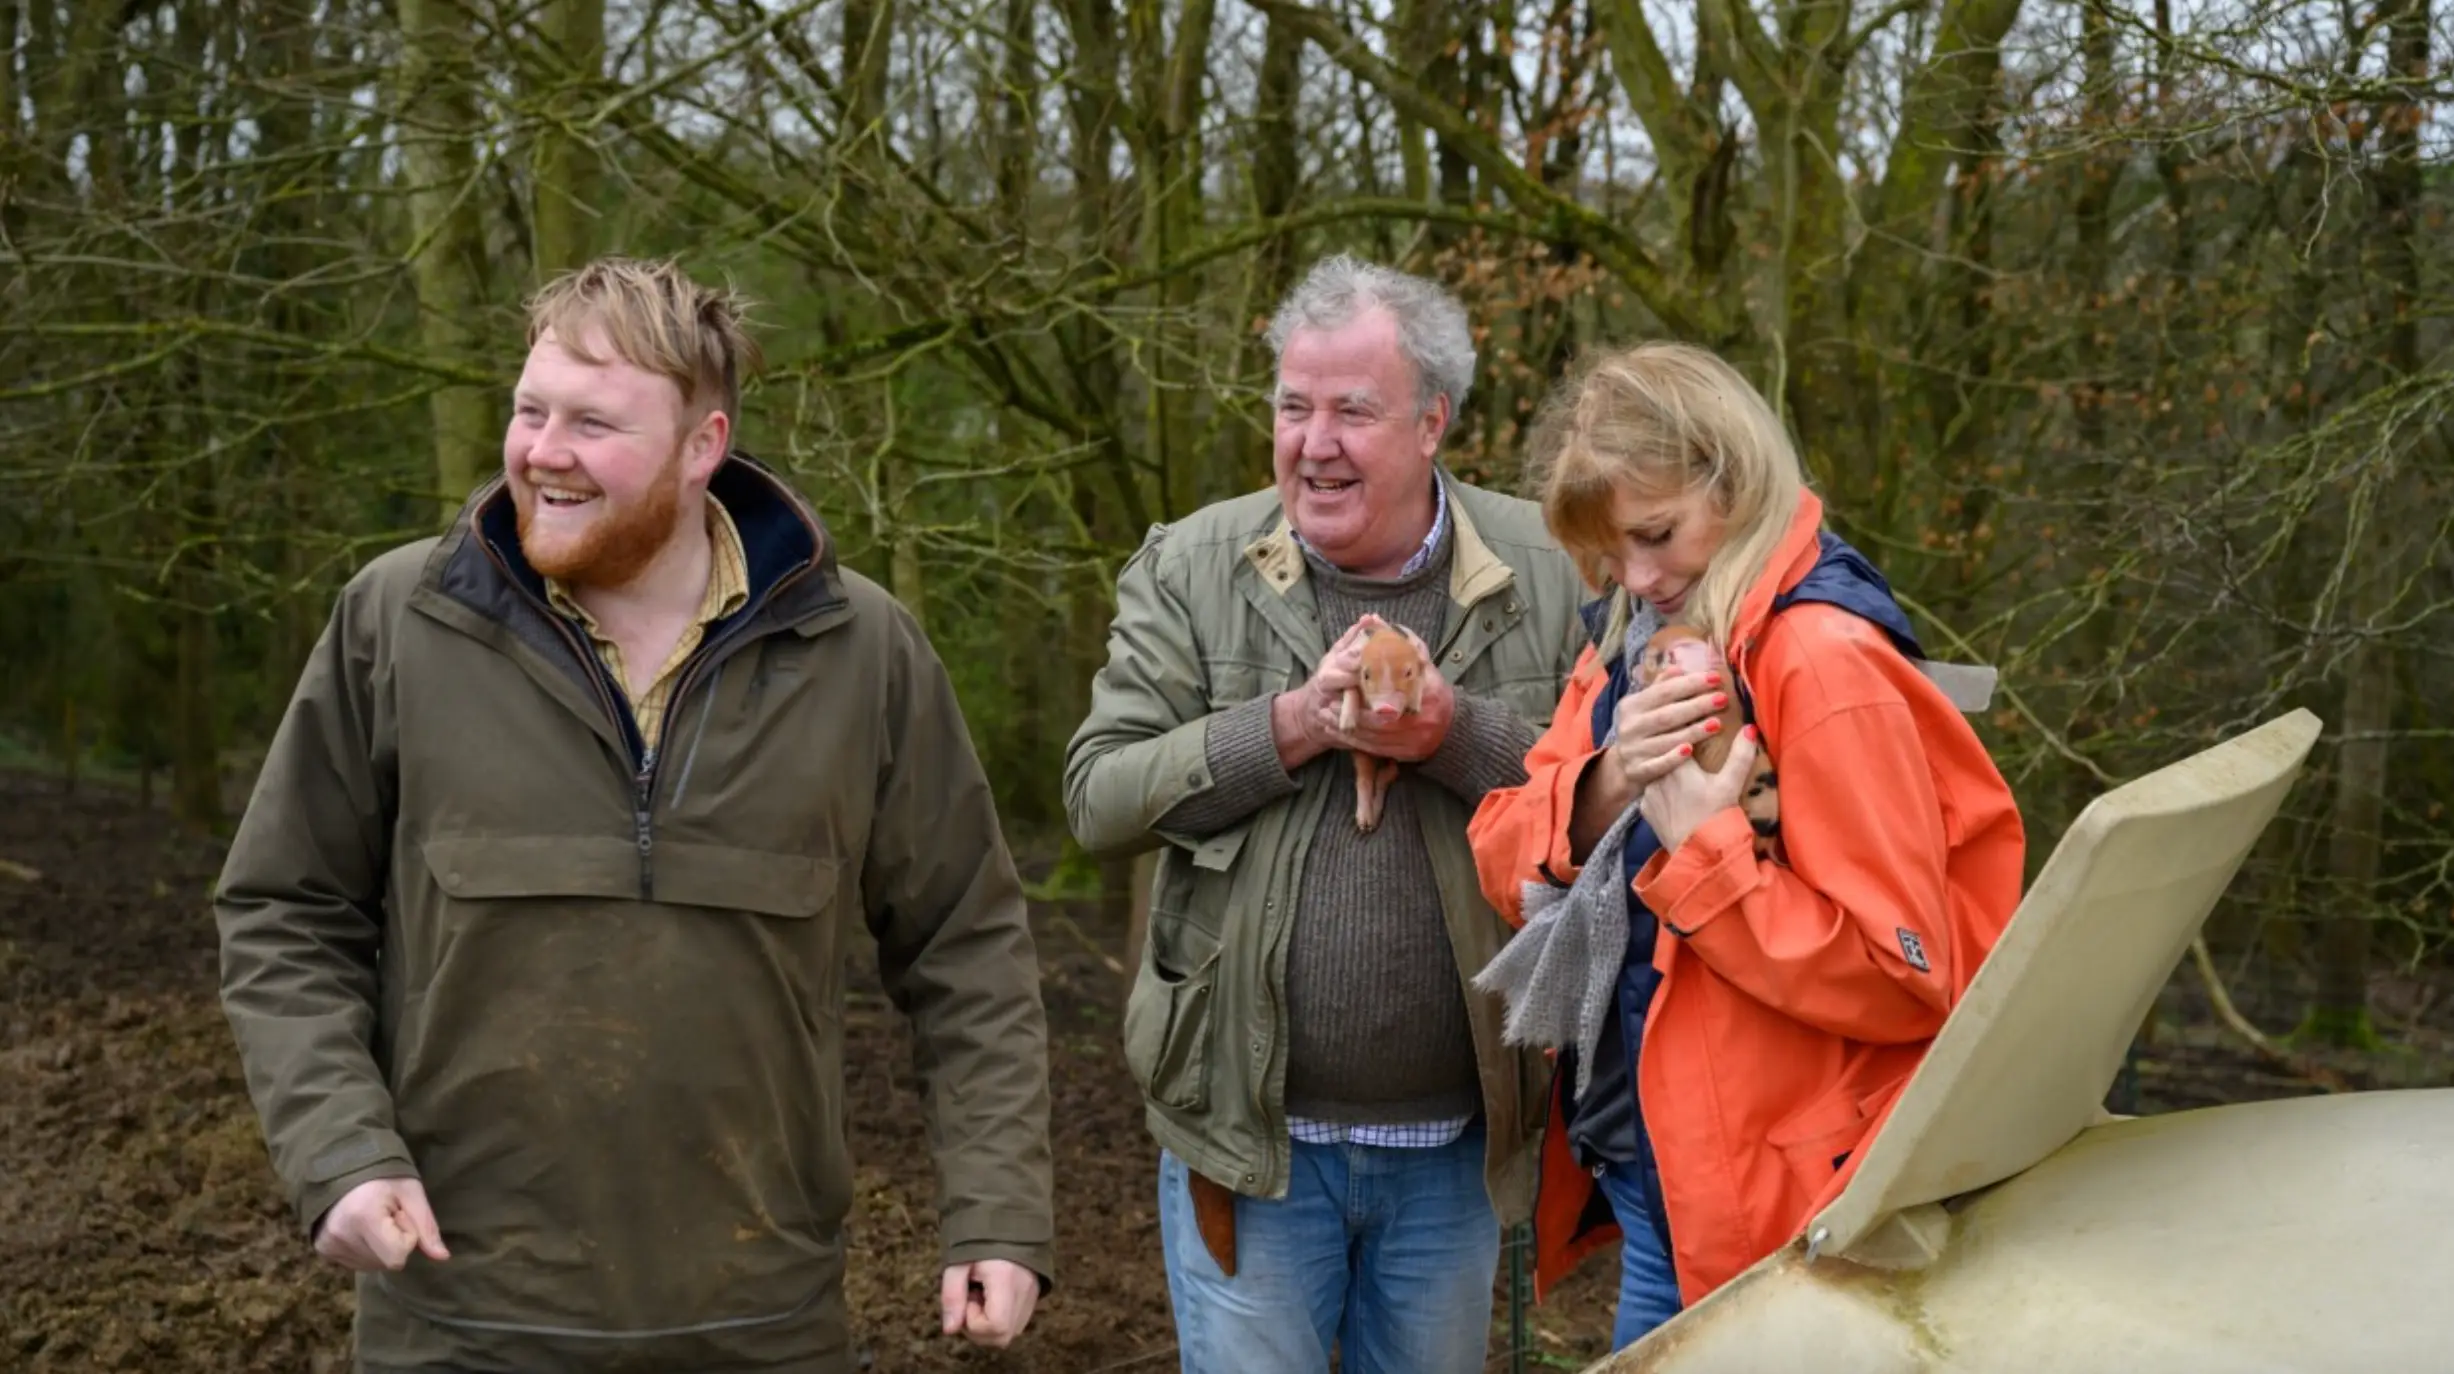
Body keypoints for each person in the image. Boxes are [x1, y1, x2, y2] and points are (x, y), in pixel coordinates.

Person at [212, 256, 1055, 1371]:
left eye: (594, 423)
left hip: (761, 1326)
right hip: (460, 1323)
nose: (543, 451)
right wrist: (338, 1153)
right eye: (529, 410)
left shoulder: (860, 651)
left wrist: (997, 1211)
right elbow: (283, 911)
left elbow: (969, 948)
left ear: (703, 445)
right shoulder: (400, 624)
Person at [1061, 255, 1590, 1374]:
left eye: (1353, 411)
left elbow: (1613, 807)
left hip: (1457, 1144)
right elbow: (1099, 797)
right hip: (1247, 1149)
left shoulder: (1555, 570)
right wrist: (1293, 725)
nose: (1315, 442)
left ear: (1434, 420)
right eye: (1293, 408)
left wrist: (1451, 737)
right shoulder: (1194, 567)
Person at [1465, 341, 2025, 1348]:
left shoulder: (1822, 660)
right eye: (1611, 554)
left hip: (1781, 1211)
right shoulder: (1642, 634)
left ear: (1734, 478)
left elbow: (1910, 976)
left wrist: (1709, 855)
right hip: (1661, 1179)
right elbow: (1503, 850)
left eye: (1657, 534)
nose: (1636, 575)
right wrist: (1608, 783)